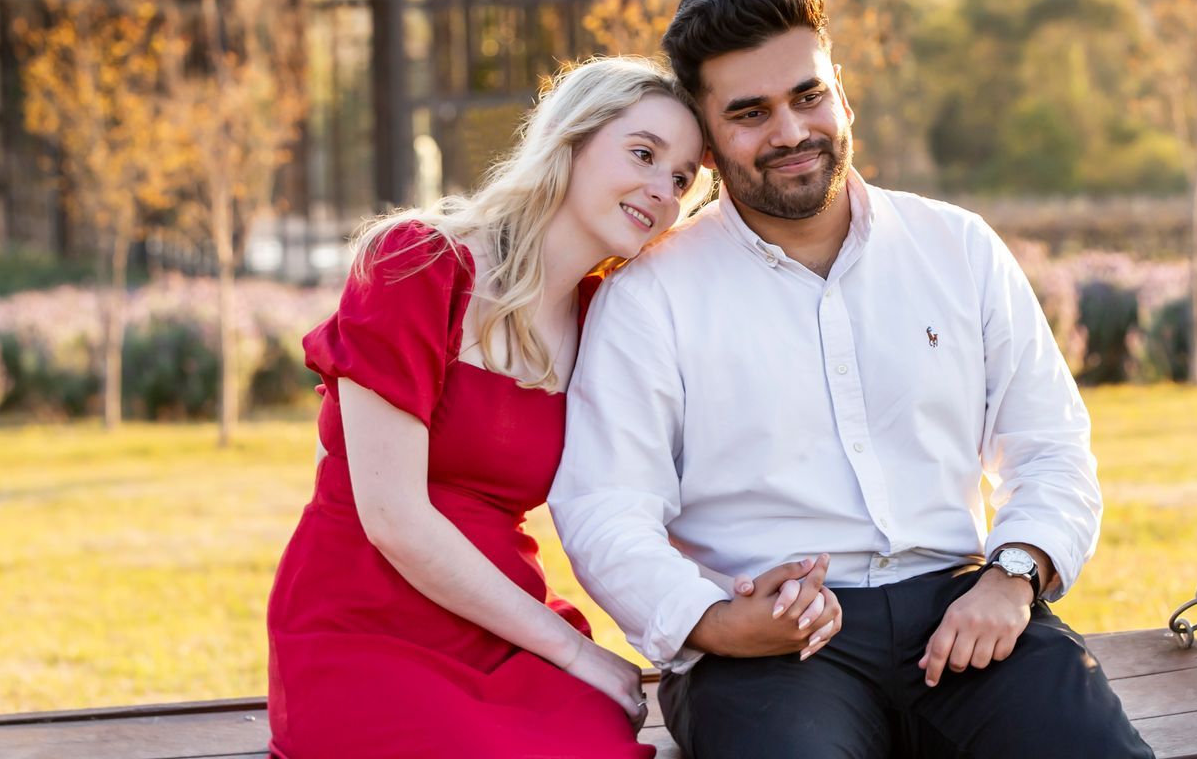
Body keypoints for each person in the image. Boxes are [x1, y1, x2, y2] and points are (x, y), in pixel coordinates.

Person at [550, 0, 1156, 759]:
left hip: (966, 612)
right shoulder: (650, 296)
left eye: (808, 96)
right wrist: (715, 624)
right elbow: (604, 507)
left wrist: (1013, 577)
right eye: (749, 113)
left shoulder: (958, 248)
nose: (791, 132)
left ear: (842, 95)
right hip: (769, 647)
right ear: (706, 141)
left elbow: (1048, 446)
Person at [267, 57, 838, 757]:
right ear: (569, 140)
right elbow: (394, 519)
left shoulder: (606, 317)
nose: (662, 189)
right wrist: (572, 651)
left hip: (501, 623)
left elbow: (649, 488)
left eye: (683, 178)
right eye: (643, 154)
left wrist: (739, 595)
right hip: (361, 621)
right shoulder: (417, 264)